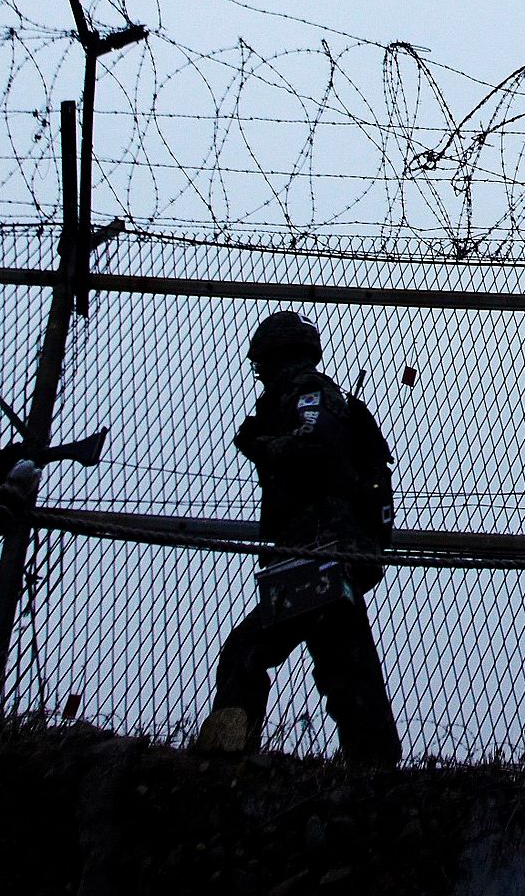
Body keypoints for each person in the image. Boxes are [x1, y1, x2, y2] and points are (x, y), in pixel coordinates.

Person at [194, 311, 400, 765]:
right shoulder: (308, 394)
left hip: (319, 550)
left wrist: (260, 443)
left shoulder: (309, 393)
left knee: (247, 650)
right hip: (324, 551)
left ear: (281, 357)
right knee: (346, 665)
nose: (261, 374)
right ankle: (377, 767)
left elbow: (314, 449)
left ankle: (225, 759)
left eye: (263, 363)